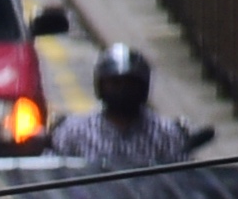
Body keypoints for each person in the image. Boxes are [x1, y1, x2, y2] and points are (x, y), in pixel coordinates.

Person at [46, 42, 203, 171]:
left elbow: (184, 181)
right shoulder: (72, 132)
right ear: (100, 86)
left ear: (143, 87)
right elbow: (51, 177)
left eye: (130, 84)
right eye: (115, 83)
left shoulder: (167, 134)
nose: (122, 90)